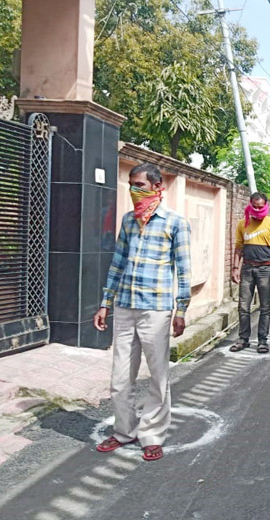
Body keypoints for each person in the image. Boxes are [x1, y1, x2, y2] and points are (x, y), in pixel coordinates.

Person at [92, 163, 191, 462]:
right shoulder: (128, 221)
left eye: (140, 185)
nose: (134, 190)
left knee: (158, 377)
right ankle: (124, 431)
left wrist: (181, 309)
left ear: (158, 186)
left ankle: (152, 434)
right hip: (124, 306)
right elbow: (118, 263)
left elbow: (183, 270)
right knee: (120, 377)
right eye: (131, 185)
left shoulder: (175, 223)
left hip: (156, 309)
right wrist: (105, 302)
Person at [230, 192, 270, 354]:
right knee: (243, 306)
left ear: (266, 206)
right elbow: (239, 248)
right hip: (247, 269)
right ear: (250, 204)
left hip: (265, 270)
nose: (258, 209)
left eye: (261, 207)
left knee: (265, 307)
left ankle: (262, 340)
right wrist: (235, 268)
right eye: (255, 206)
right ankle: (243, 339)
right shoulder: (243, 224)